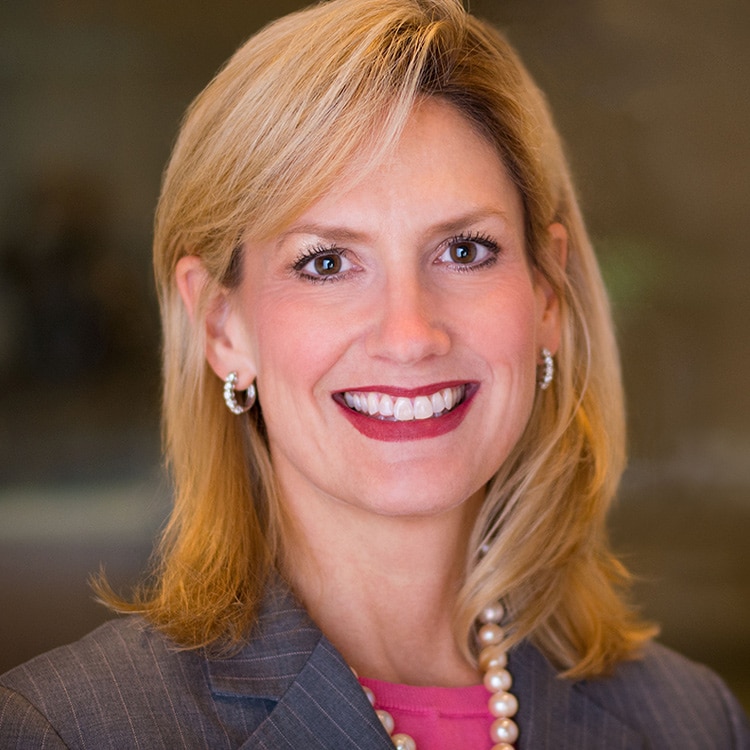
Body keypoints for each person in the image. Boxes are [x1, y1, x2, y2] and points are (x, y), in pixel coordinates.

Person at [1, 0, 748, 747]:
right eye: (326, 262)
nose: (410, 335)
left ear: (547, 294)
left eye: (464, 251)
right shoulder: (70, 728)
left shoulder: (692, 722)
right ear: (221, 328)